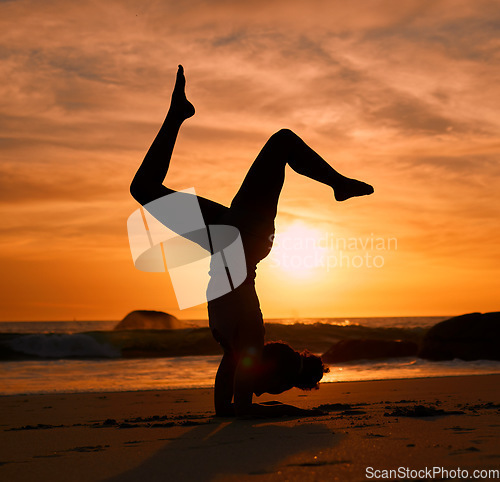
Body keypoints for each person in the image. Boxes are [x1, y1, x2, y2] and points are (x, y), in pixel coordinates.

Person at [130, 65, 373, 417]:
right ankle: (338, 184)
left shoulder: (233, 348)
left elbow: (226, 410)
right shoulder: (249, 338)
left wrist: (274, 406)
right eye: (268, 388)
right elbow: (241, 408)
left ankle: (178, 114)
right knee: (282, 142)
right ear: (267, 371)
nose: (259, 392)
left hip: (227, 240)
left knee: (144, 189)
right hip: (243, 240)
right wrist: (291, 411)